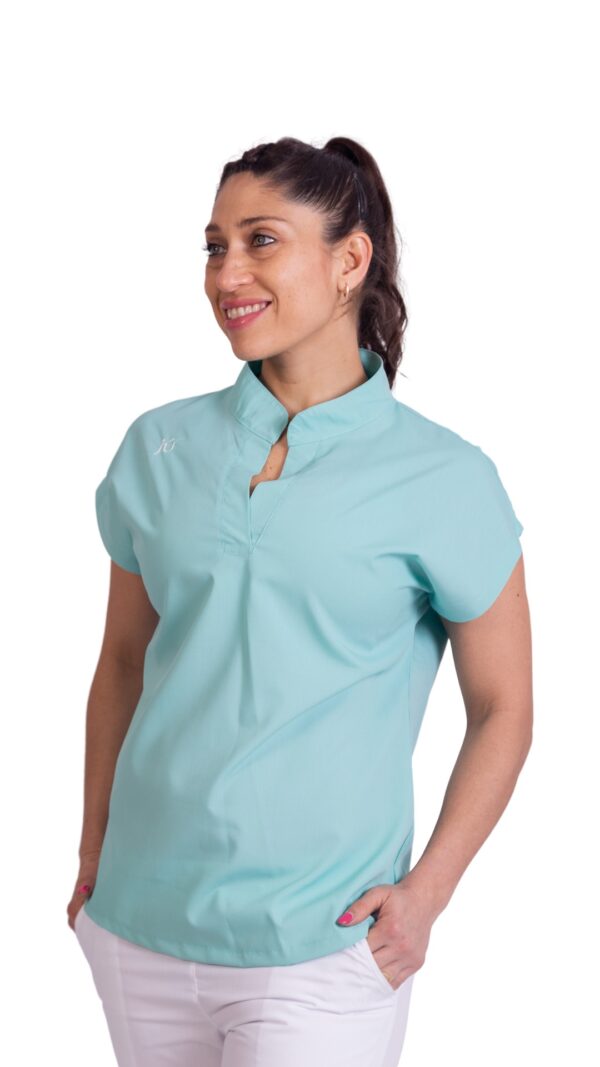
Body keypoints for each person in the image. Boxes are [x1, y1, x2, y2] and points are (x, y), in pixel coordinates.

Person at [68, 136, 533, 1066]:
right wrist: (92, 857)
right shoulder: (157, 447)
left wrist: (428, 893)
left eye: (261, 241)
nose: (226, 273)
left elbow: (504, 707)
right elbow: (122, 662)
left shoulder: (443, 476)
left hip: (322, 945)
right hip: (137, 927)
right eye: (214, 246)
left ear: (350, 260)